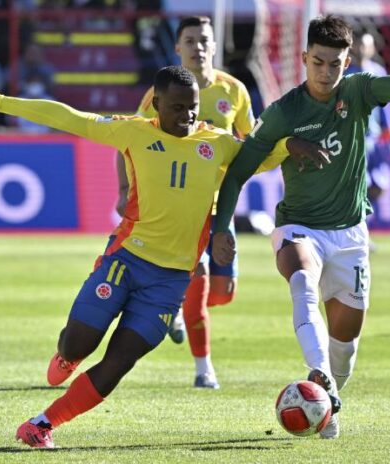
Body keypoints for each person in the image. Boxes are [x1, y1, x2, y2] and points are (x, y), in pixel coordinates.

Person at [0, 65, 319, 449]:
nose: (188, 116)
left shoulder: (217, 142)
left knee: (119, 362)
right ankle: (66, 357)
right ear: (156, 104)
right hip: (125, 262)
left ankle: (42, 424)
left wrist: (287, 146)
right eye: (177, 108)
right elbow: (65, 116)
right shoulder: (133, 131)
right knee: (77, 345)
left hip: (170, 282)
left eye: (193, 107)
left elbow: (255, 160)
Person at [211, 15, 390, 439]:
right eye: (318, 62)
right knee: (300, 278)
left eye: (335, 63)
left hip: (350, 235)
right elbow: (238, 171)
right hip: (300, 227)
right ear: (304, 58)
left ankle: (327, 396)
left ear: (347, 61)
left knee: (346, 345)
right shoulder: (284, 111)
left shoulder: (357, 90)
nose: (326, 72)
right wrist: (222, 227)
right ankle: (320, 377)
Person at [118, 16, 255, 390]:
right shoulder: (157, 95)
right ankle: (203, 368)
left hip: (220, 209)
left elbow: (251, 144)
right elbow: (127, 140)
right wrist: (122, 190)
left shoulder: (234, 91)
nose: (198, 46)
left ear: (214, 46)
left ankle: (174, 303)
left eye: (204, 40)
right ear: (177, 48)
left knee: (222, 293)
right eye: (190, 40)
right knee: (201, 280)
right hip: (182, 211)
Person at [348, 33, 390, 250]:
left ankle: (361, 230)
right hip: (353, 139)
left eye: (366, 45)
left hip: (374, 141)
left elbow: (385, 106)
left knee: (379, 187)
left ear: (372, 49)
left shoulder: (378, 72)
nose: (362, 49)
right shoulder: (346, 74)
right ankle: (357, 234)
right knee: (358, 188)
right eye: (360, 44)